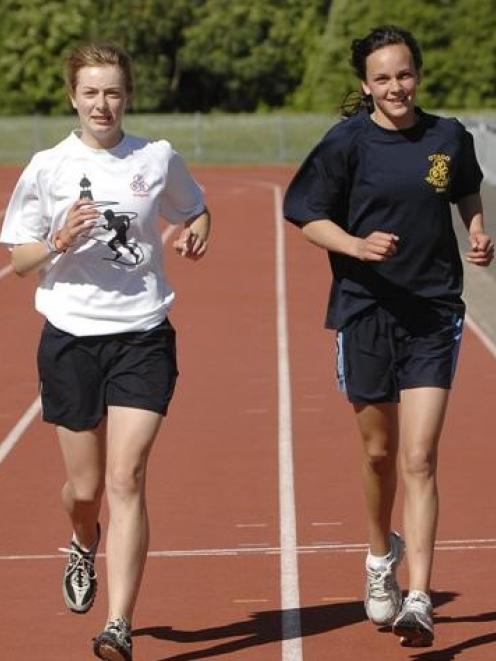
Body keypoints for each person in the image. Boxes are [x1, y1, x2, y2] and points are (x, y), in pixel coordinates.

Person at [283, 25, 493, 648]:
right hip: (365, 311)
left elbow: (464, 189)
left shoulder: (447, 136)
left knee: (420, 458)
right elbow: (306, 215)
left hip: (432, 312)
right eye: (382, 78)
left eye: (404, 75)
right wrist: (355, 245)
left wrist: (477, 229)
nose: (396, 87)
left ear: (417, 74)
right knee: (379, 455)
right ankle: (381, 556)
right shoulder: (346, 143)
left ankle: (421, 596)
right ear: (365, 85)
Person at [0, 42, 211, 660]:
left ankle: (118, 624)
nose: (102, 103)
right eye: (90, 92)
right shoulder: (47, 167)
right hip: (69, 339)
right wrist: (59, 239)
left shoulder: (156, 157)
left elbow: (195, 210)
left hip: (143, 334)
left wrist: (199, 229)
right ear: (73, 97)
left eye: (113, 91)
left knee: (128, 475)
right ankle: (80, 536)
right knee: (85, 487)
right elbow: (19, 261)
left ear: (128, 96)